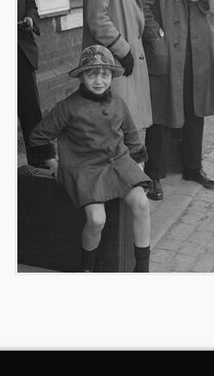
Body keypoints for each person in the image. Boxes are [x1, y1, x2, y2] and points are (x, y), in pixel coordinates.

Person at [28, 44, 152, 273]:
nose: (98, 81)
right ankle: (87, 269)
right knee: (97, 219)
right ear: (82, 76)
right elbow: (38, 137)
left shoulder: (118, 103)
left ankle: (141, 269)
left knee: (142, 202)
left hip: (118, 162)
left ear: (111, 77)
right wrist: (54, 164)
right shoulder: (68, 107)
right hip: (84, 168)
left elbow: (133, 137)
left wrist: (137, 166)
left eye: (104, 75)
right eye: (91, 74)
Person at [131, 0, 214, 201]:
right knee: (161, 113)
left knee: (195, 108)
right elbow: (140, 6)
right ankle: (154, 175)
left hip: (196, 50)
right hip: (166, 50)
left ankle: (193, 167)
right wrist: (155, 33)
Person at [81, 0, 152, 135]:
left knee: (128, 130)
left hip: (120, 63)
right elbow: (97, 17)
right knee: (117, 131)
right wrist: (124, 50)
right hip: (113, 62)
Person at [17, 0, 54, 167]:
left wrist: (30, 19)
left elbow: (32, 6)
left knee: (31, 110)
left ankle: (41, 162)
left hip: (20, 51)